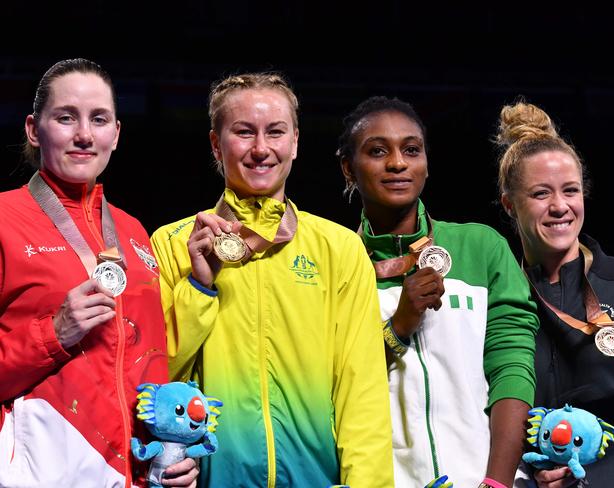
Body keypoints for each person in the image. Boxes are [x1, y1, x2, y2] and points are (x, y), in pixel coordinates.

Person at [151, 73, 394, 487]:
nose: (261, 149)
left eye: (275, 132)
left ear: (295, 142)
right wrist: (199, 287)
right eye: (243, 132)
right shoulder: (173, 244)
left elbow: (362, 391)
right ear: (216, 144)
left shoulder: (338, 249)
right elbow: (156, 377)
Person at [0, 58, 198, 488]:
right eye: (66, 117)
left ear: (116, 134)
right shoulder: (3, 218)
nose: (84, 135)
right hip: (40, 472)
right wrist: (54, 332)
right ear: (35, 129)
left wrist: (168, 455)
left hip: (131, 475)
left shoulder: (134, 233)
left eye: (99, 119)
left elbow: (151, 367)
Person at [337, 96, 540, 488]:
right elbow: (331, 384)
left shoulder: (481, 248)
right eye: (377, 151)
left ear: (426, 163)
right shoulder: (334, 263)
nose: (397, 163)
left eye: (411, 150)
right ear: (348, 167)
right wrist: (397, 327)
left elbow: (511, 370)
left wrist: (496, 482)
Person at [496, 100, 614, 487]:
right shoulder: (497, 299)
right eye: (540, 194)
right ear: (509, 205)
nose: (560, 207)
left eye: (570, 191)